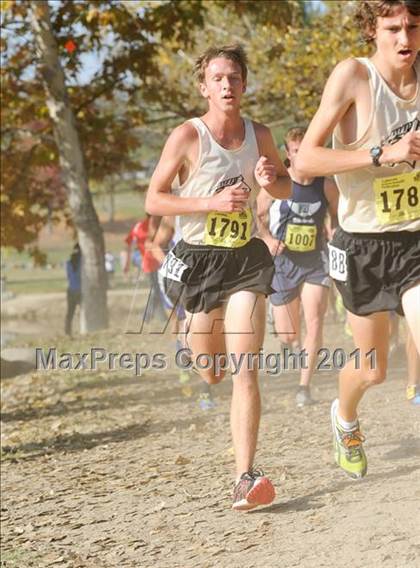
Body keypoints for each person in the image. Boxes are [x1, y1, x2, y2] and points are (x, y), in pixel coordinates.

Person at [145, 44, 290, 510]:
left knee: (245, 370)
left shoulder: (260, 134)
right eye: (218, 78)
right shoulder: (188, 136)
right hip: (198, 260)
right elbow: (154, 199)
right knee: (211, 372)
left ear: (244, 85)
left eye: (234, 78)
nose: (227, 85)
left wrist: (272, 179)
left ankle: (244, 477)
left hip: (244, 259)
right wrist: (210, 202)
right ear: (204, 86)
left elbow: (285, 184)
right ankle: (196, 335)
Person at [296, 0, 420, 479]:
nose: (404, 37)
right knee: (372, 369)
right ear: (372, 30)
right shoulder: (353, 77)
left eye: (413, 26)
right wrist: (380, 153)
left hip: (414, 239)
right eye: (393, 27)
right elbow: (304, 162)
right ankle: (344, 418)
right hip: (362, 243)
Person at [257, 126, 339, 407]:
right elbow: (258, 216)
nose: (302, 156)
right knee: (288, 333)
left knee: (315, 320)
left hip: (315, 260)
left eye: (307, 150)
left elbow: (336, 219)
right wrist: (267, 239)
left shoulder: (326, 186)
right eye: (296, 151)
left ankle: (304, 386)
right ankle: (279, 324)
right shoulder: (278, 184)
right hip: (283, 262)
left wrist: (335, 235)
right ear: (288, 155)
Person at [124, 215, 167, 323]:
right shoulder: (155, 224)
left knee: (157, 289)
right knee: (156, 290)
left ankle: (161, 317)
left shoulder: (139, 226)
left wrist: (127, 264)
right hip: (154, 261)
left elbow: (128, 242)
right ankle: (147, 316)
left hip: (151, 261)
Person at [65, 243, 81, 337]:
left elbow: (68, 276)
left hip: (71, 289)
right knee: (83, 311)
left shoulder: (68, 263)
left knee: (70, 312)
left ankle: (68, 331)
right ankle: (82, 329)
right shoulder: (82, 262)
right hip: (80, 290)